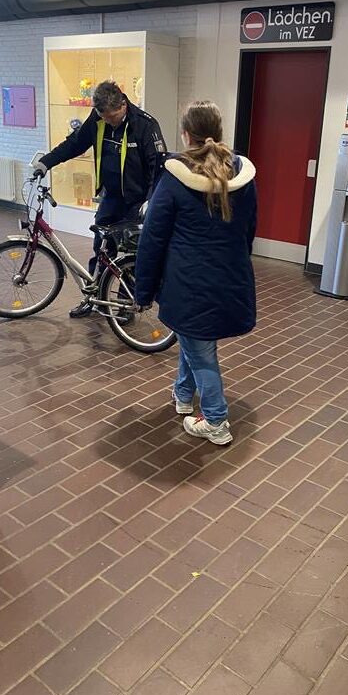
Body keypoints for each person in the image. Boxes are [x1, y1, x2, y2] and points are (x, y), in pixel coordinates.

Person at [134, 100, 257, 446]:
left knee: (201, 351)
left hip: (188, 284)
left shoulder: (174, 179)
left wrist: (143, 291)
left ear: (186, 135)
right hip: (230, 277)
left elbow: (152, 239)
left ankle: (216, 421)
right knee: (194, 338)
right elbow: (249, 230)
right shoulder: (241, 176)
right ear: (218, 131)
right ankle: (183, 396)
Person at [34, 80, 166, 318]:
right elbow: (75, 144)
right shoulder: (98, 119)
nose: (108, 122)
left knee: (131, 254)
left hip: (137, 202)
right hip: (111, 197)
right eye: (104, 117)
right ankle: (94, 299)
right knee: (101, 248)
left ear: (123, 105)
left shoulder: (145, 125)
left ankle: (126, 304)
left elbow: (158, 167)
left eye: (112, 117)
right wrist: (46, 162)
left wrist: (151, 201)